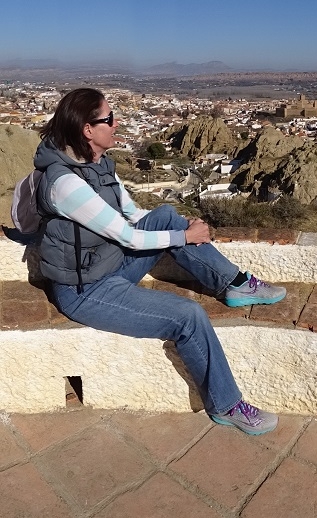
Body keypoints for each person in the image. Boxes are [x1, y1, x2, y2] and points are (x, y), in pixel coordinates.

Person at [34, 88, 283, 435]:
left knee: (165, 213)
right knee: (188, 316)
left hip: (108, 264)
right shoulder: (65, 184)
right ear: (87, 130)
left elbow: (134, 215)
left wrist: (180, 226)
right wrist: (186, 237)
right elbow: (130, 237)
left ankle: (234, 284)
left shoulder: (98, 164)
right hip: (86, 290)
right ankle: (227, 405)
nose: (115, 123)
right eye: (108, 118)